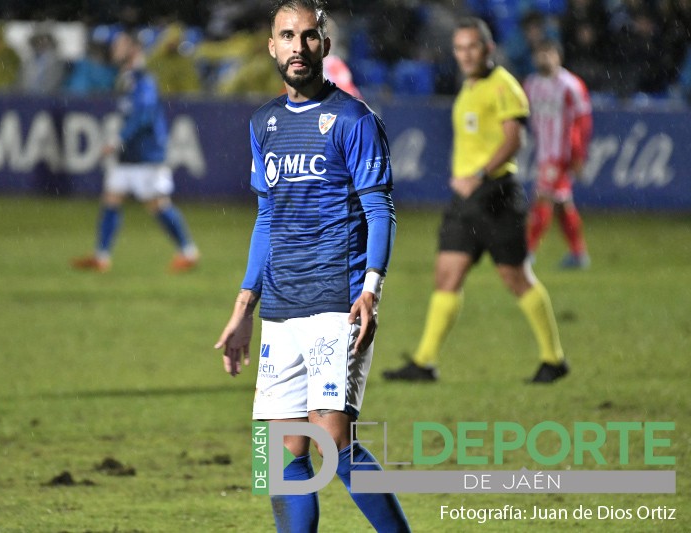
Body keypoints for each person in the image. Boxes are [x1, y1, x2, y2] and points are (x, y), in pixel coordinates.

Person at [213, 1, 411, 531]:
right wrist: (243, 308)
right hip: (281, 307)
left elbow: (379, 209)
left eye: (309, 36)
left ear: (325, 44)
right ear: (271, 46)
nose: (298, 47)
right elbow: (266, 219)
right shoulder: (264, 122)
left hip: (336, 303)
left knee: (335, 443)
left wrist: (371, 290)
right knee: (276, 460)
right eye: (287, 37)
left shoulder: (355, 119)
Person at [383, 17, 568, 384]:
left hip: (497, 193)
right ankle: (425, 362)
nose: (466, 55)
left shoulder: (504, 86)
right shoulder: (468, 87)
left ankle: (554, 358)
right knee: (446, 276)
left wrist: (479, 175)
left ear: (488, 49)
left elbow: (514, 140)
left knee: (515, 277)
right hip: (465, 200)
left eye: (473, 47)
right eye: (460, 48)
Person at [71, 30, 199, 274]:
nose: (114, 49)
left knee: (158, 204)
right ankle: (101, 256)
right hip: (130, 154)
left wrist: (119, 139)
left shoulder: (143, 80)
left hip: (147, 153)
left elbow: (143, 116)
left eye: (119, 44)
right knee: (111, 197)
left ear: (133, 50)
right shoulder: (127, 78)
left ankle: (188, 251)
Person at [524, 39, 593, 268]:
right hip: (544, 152)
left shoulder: (571, 85)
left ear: (559, 57)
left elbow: (583, 122)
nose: (544, 58)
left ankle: (526, 253)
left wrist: (578, 155)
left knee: (541, 198)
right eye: (540, 53)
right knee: (563, 205)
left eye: (549, 53)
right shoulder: (531, 84)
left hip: (561, 154)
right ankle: (578, 254)